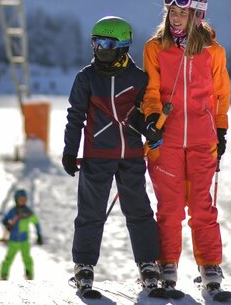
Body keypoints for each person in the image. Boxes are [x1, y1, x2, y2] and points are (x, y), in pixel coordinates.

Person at [62, 16, 161, 293]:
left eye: (105, 43)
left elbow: (141, 117)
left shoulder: (139, 78)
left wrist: (151, 129)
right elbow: (75, 116)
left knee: (139, 211)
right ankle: (83, 265)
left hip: (130, 156)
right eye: (95, 42)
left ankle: (148, 264)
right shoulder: (87, 77)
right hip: (97, 155)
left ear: (122, 46)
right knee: (91, 213)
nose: (99, 48)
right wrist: (70, 150)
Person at [142, 0, 231, 293]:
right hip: (165, 140)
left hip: (202, 140)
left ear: (198, 16)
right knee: (169, 207)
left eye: (183, 13)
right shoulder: (155, 48)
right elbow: (151, 90)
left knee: (202, 206)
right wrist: (152, 118)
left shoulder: (213, 52)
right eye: (172, 13)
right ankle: (167, 263)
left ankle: (209, 266)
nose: (176, 19)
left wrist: (221, 129)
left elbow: (221, 95)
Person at [0, 189, 43, 280]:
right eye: (20, 199)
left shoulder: (28, 212)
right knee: (8, 259)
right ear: (16, 200)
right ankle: (3, 275)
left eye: (24, 199)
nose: (23, 201)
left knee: (27, 259)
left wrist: (39, 235)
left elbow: (36, 223)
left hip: (24, 241)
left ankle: (29, 275)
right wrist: (7, 225)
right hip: (13, 241)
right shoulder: (12, 212)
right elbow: (4, 220)